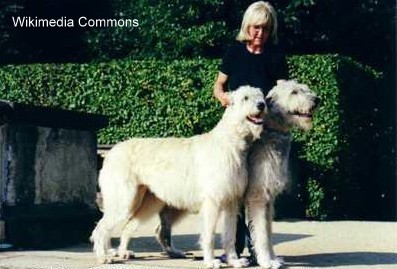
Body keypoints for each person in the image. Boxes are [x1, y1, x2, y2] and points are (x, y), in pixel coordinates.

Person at [213, 1, 288, 264]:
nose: (260, 33)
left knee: (259, 196)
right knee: (232, 192)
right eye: (256, 27)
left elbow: (280, 94)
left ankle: (260, 250)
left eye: (266, 29)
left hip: (264, 133)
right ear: (247, 26)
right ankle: (231, 249)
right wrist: (225, 99)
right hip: (235, 135)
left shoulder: (276, 56)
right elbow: (218, 87)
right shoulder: (234, 52)